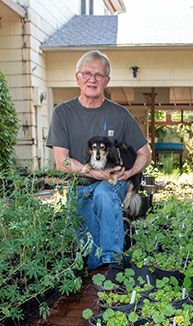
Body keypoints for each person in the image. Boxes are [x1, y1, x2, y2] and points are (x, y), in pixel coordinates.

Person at [46, 50, 151, 275]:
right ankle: (99, 265)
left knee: (104, 193)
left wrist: (131, 171)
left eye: (99, 75)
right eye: (87, 73)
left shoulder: (119, 115)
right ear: (77, 78)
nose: (92, 79)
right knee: (91, 258)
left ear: (107, 80)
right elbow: (61, 161)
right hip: (81, 186)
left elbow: (145, 152)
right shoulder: (62, 113)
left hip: (112, 182)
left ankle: (114, 262)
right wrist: (92, 173)